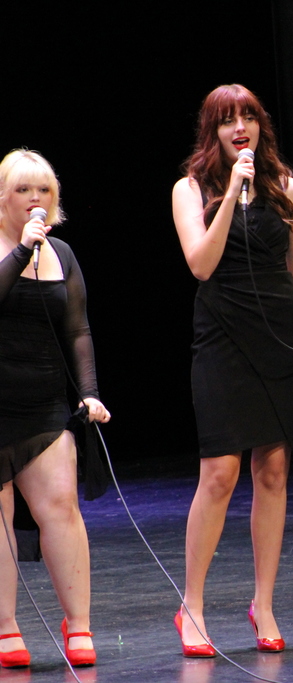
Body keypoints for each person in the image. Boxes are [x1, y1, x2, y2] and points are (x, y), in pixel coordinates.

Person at [171, 84, 293, 656]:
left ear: (262, 125)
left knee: (274, 471)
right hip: (222, 337)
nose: (240, 128)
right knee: (219, 472)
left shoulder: (288, 188)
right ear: (211, 132)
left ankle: (263, 602)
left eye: (249, 117)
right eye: (227, 120)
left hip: (279, 335)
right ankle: (191, 605)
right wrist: (231, 193)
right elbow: (200, 264)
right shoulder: (190, 189)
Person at [0, 149, 111, 668]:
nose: (35, 199)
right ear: (2, 198)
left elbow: (78, 329)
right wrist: (23, 250)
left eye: (43, 189)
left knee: (61, 507)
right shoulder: (19, 248)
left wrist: (89, 392)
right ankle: (6, 626)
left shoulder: (61, 254)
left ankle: (79, 623)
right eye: (23, 189)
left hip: (44, 404)